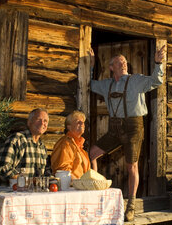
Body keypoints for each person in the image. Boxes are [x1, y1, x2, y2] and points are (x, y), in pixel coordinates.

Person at [89, 45, 165, 221]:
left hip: (133, 127)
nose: (123, 63)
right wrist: (92, 65)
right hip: (114, 128)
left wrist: (158, 62)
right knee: (91, 153)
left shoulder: (136, 80)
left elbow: (156, 81)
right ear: (111, 67)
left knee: (132, 166)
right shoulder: (106, 84)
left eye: (124, 61)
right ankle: (94, 193)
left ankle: (131, 205)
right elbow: (90, 84)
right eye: (119, 62)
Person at [0, 108, 49, 180]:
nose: (42, 123)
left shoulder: (42, 147)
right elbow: (2, 168)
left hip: (35, 190)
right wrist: (23, 181)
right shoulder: (17, 139)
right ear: (29, 122)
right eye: (38, 119)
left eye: (45, 121)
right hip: (13, 190)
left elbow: (45, 174)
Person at [51, 110, 90, 180]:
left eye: (83, 122)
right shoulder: (65, 143)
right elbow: (63, 171)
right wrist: (79, 183)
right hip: (69, 188)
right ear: (69, 127)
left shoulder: (80, 147)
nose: (82, 123)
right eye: (78, 121)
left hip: (80, 188)